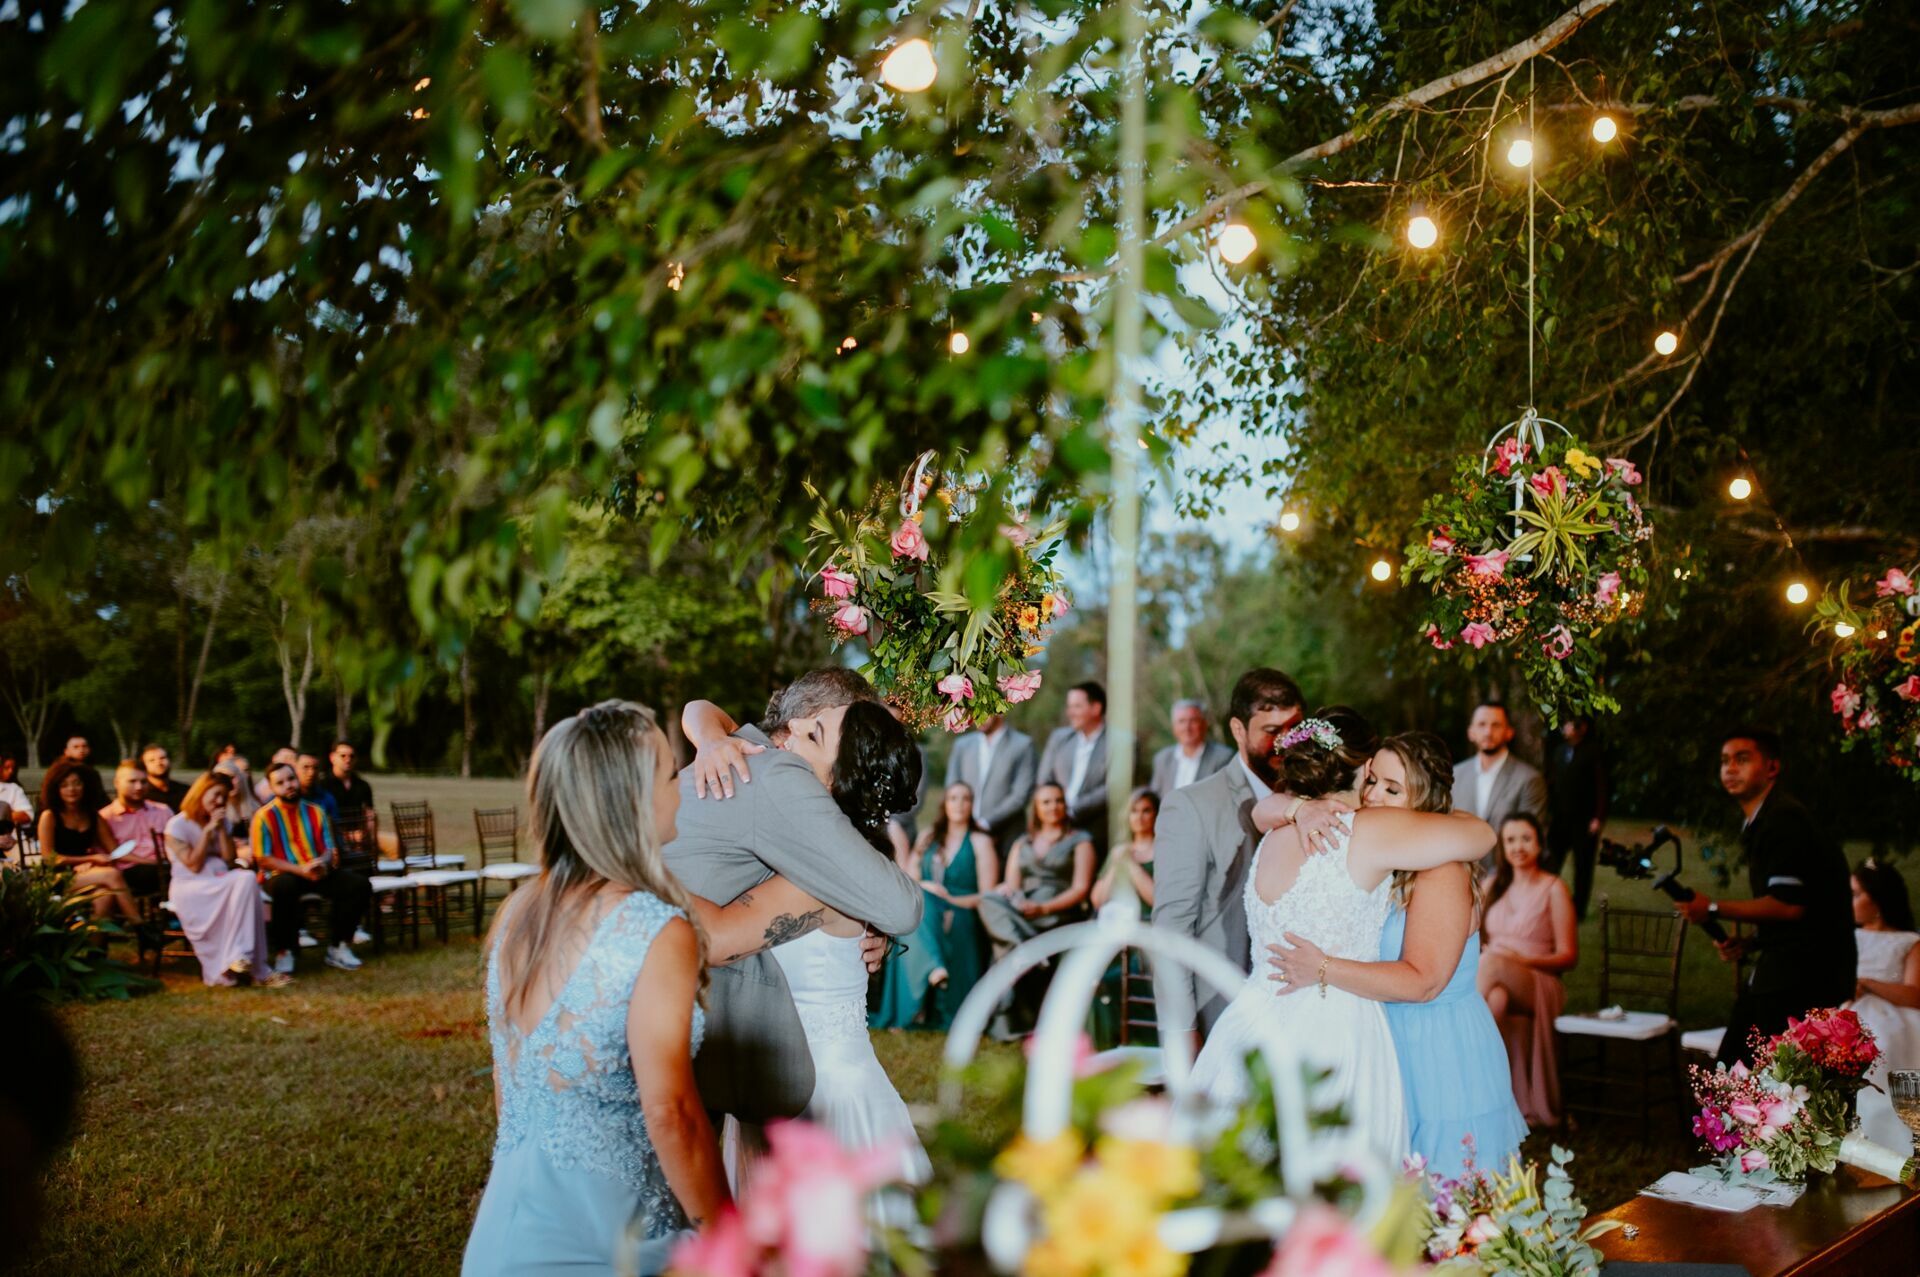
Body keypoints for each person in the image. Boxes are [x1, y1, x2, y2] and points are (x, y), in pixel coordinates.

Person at [464, 700, 726, 1277]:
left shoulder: (517, 914)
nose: (679, 782)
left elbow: (513, 1095)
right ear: (629, 801)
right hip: (600, 1242)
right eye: (666, 771)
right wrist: (729, 1239)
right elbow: (672, 1111)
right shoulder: (656, 930)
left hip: (504, 1234)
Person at [1189, 708, 1497, 1163]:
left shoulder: (1277, 832)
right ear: (1360, 766)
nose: (1375, 793)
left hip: (1252, 1020)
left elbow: (1258, 811)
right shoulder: (1369, 830)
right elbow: (1483, 836)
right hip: (1333, 1026)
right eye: (1373, 777)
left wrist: (1294, 806)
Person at [686, 701, 931, 1226]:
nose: (791, 727)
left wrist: (627, 861)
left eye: (814, 734)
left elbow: (713, 939)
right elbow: (707, 711)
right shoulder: (810, 853)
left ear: (832, 787)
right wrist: (709, 736)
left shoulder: (815, 882)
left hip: (818, 1098)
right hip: (775, 1077)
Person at [667, 669, 925, 1126]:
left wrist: (706, 732)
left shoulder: (738, 748)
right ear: (809, 722)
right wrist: (871, 911)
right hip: (669, 996)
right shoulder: (781, 775)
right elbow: (901, 905)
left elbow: (702, 709)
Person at [1266, 733, 1525, 1177]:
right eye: (1372, 782)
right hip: (1384, 1041)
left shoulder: (1441, 869)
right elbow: (1261, 809)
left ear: (1423, 799)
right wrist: (1299, 809)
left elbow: (1424, 981)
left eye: (1393, 788)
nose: (1373, 797)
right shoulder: (1383, 855)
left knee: (1441, 1214)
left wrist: (1323, 968)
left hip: (1438, 1056)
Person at [1678, 729, 1855, 1067]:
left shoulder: (1783, 819)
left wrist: (1711, 908)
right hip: (1788, 967)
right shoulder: (1765, 819)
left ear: (1772, 767)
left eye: (1742, 759)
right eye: (1725, 761)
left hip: (1805, 975)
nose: (1730, 768)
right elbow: (1803, 904)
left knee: (1744, 1071)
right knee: (1744, 1071)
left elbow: (1789, 905)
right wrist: (1752, 943)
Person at [1151, 666, 1306, 1045]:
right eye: (1272, 732)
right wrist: (1182, 1035)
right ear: (1238, 730)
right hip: (1223, 1011)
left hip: (1304, 1013)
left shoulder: (1320, 795)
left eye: (1294, 729)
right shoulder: (1190, 806)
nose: (1286, 743)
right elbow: (1172, 933)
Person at [871, 781, 1000, 1031]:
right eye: (953, 798)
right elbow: (911, 880)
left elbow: (986, 895)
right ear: (945, 804)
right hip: (928, 907)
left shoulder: (980, 841)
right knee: (918, 911)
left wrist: (948, 900)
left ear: (972, 805)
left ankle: (918, 1001)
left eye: (965, 799)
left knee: (920, 918)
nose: (959, 804)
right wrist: (929, 890)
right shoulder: (928, 836)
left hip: (962, 908)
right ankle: (931, 973)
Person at [1477, 811, 1578, 1127]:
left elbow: (1568, 957)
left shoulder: (1554, 888)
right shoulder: (1492, 884)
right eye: (1510, 840)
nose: (1518, 846)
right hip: (1497, 978)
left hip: (1539, 982)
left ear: (1539, 844)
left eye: (1525, 838)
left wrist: (1517, 961)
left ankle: (1453, 1048)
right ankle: (1495, 1100)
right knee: (1495, 1001)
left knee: (1492, 963)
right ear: (1502, 847)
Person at [250, 761, 372, 975]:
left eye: (291, 779)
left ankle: (339, 946)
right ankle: (285, 951)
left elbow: (328, 848)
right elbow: (264, 859)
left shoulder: (316, 812)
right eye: (280, 783)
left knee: (359, 885)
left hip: (316, 871)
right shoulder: (264, 816)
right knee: (285, 887)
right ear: (272, 788)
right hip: (283, 874)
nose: (288, 785)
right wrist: (300, 870)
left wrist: (323, 863)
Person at [162, 772, 281, 987]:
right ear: (201, 792)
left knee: (246, 878)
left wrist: (221, 830)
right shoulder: (176, 825)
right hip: (191, 884)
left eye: (223, 797)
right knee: (244, 880)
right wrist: (207, 833)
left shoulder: (221, 822)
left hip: (220, 878)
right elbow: (193, 864)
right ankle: (242, 957)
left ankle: (242, 956)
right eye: (215, 795)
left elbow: (228, 859)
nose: (219, 801)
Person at [1845, 860, 1920, 1152]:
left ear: (1877, 901)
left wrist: (1868, 984)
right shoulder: (1848, 937)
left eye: (1856, 894)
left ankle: (1883, 1138)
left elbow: (1915, 993)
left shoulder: (1907, 941)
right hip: (1850, 1008)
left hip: (1891, 1013)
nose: (1849, 901)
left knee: (1881, 1044)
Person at [976, 782, 1097, 946]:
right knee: (988, 899)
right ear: (1036, 808)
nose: (1053, 806)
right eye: (1046, 802)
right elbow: (1013, 886)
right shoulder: (1022, 843)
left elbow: (1080, 889)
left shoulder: (1081, 841)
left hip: (1058, 911)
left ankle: (1021, 949)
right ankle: (1022, 946)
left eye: (1059, 801)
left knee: (1004, 943)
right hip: (1024, 909)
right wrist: (1007, 893)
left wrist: (1044, 908)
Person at [1090, 787, 1160, 1049]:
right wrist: (1117, 864)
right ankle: (1102, 1047)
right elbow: (1098, 899)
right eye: (1133, 811)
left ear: (1155, 814)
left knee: (1115, 979)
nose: (1139, 817)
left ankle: (1138, 1044)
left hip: (1147, 929)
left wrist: (1131, 865)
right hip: (1116, 928)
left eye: (1146, 810)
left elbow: (1156, 899)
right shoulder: (1119, 851)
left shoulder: (1162, 849)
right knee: (1091, 976)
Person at [37, 760, 140, 924]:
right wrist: (91, 859)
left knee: (104, 898)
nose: (72, 789)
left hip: (84, 874)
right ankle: (141, 927)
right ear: (56, 789)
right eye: (64, 785)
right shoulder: (49, 816)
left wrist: (152, 861)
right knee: (112, 874)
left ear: (85, 786)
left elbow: (116, 851)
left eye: (76, 783)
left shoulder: (92, 815)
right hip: (56, 879)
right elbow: (49, 858)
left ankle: (96, 948)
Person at [944, 713, 1037, 853]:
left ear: (1000, 711)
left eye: (984, 711)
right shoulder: (962, 745)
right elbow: (952, 785)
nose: (977, 717)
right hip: (964, 833)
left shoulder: (1023, 745)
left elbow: (1021, 795)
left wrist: (985, 822)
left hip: (1006, 833)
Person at [1450, 703, 1548, 834]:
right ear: (1471, 732)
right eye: (1482, 724)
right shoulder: (1454, 775)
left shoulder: (1529, 779)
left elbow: (1530, 836)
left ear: (1509, 732)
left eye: (1496, 725)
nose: (1488, 732)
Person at [1545, 716, 1609, 920]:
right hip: (1560, 819)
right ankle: (1546, 902)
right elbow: (1552, 782)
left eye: (1570, 724)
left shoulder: (1593, 752)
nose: (1565, 728)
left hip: (1584, 820)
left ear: (1582, 728)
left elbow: (1602, 787)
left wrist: (1598, 817)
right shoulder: (1560, 751)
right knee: (1551, 862)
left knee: (1583, 866)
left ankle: (1578, 909)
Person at [1036, 682, 1111, 850]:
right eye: (1069, 707)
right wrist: (1053, 811)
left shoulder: (1120, 743)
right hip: (1052, 827)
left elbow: (1113, 788)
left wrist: (1070, 810)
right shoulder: (1059, 738)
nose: (1070, 713)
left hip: (1096, 830)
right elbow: (1044, 780)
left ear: (1096, 708)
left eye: (1077, 706)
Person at [98, 761, 169, 897]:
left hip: (166, 866)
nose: (139, 787)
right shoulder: (105, 818)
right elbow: (109, 856)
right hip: (130, 871)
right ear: (117, 783)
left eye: (143, 782)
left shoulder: (162, 810)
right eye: (132, 781)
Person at [1149, 700, 1234, 796]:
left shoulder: (1222, 757)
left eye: (1193, 721)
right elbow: (1154, 799)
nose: (1187, 728)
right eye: (1181, 721)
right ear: (1174, 727)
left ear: (1204, 724)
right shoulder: (1163, 759)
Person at [60, 735, 109, 810]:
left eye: (84, 746)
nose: (81, 749)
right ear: (66, 751)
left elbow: (100, 796)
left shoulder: (92, 772)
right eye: (76, 747)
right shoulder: (61, 772)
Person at [0, 752, 33, 859]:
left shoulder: (13, 788)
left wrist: (5, 815)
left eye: (13, 768)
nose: (10, 771)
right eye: (6, 767)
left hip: (11, 842)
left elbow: (26, 815)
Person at [140, 742, 187, 811]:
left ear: (169, 761)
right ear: (144, 765)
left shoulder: (186, 791)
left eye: (162, 758)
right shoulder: (141, 794)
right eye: (152, 760)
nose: (159, 763)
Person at [295, 752, 340, 823]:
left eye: (315, 768)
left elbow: (336, 828)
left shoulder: (327, 799)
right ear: (295, 768)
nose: (311, 773)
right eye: (306, 767)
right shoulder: (284, 799)